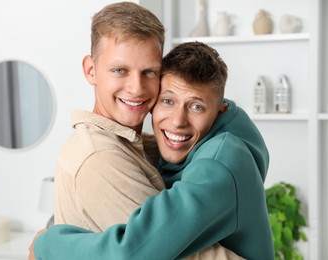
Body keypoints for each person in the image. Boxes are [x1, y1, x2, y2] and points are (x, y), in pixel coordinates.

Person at [29, 2, 238, 260]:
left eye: (149, 72)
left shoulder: (145, 145)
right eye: (120, 70)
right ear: (90, 70)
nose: (137, 88)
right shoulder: (99, 157)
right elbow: (180, 255)